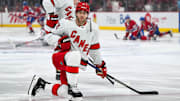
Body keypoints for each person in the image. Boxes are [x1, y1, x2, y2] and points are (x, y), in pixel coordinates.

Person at [28, 2, 107, 99]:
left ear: (87, 14)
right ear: (76, 13)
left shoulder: (93, 28)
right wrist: (59, 41)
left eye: (84, 13)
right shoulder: (66, 23)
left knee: (67, 93)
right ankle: (73, 87)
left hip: (72, 64)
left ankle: (42, 85)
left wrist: (99, 65)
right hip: (60, 57)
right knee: (75, 55)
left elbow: (94, 48)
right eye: (80, 12)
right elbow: (48, 36)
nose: (82, 15)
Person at [42, 0, 80, 80]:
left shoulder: (74, 5)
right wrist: (52, 15)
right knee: (62, 47)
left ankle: (64, 73)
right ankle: (60, 71)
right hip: (58, 32)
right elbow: (46, 1)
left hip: (66, 31)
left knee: (71, 53)